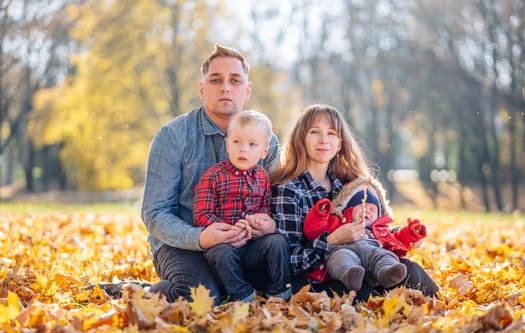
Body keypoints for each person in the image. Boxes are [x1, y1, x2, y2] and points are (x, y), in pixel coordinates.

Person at [140, 44, 282, 305]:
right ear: (202, 89)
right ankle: (144, 292)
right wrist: (200, 238)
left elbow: (277, 202)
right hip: (181, 244)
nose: (226, 87)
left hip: (244, 243)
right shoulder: (173, 136)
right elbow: (154, 213)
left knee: (280, 271)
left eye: (235, 80)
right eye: (216, 80)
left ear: (247, 90)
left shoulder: (267, 140)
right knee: (204, 300)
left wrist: (268, 224)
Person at [270, 104, 439, 301]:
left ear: (340, 143)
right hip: (318, 278)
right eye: (315, 132)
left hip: (363, 263)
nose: (324, 139)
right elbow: (289, 261)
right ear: (301, 140)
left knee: (411, 271)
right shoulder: (289, 190)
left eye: (331, 133)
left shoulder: (348, 185)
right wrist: (332, 240)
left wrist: (407, 235)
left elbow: (371, 233)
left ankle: (443, 311)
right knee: (363, 292)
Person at [193, 110, 291, 302]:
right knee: (220, 253)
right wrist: (228, 230)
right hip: (224, 243)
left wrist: (260, 222)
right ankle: (243, 295)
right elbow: (202, 213)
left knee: (278, 242)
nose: (243, 149)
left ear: (264, 151)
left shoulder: (262, 176)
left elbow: (265, 207)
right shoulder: (214, 175)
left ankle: (280, 293)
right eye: (237, 142)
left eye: (252, 144)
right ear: (227, 145)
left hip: (252, 244)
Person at [303, 176, 427, 291]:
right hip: (343, 250)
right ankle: (350, 274)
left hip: (372, 253)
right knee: (339, 259)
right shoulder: (337, 221)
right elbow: (312, 231)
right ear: (348, 209)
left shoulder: (378, 231)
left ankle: (386, 272)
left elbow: (396, 240)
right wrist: (319, 214)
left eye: (372, 209)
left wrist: (410, 233)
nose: (367, 211)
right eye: (362, 206)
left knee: (384, 256)